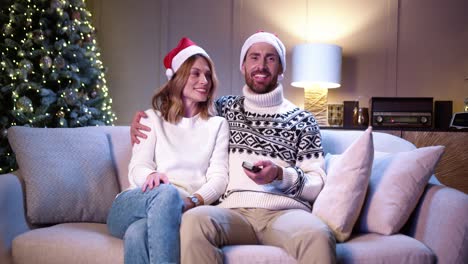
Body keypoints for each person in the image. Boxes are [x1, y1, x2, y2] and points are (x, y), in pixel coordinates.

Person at [131, 32, 336, 264]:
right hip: (231, 212)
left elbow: (316, 182)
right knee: (194, 222)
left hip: (285, 213)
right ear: (243, 65)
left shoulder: (303, 119)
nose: (261, 65)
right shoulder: (223, 109)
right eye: (254, 57)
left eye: (271, 59)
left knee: (319, 235)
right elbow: (181, 114)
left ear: (281, 69)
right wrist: (142, 121)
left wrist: (280, 175)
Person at [107, 37, 230, 264]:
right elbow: (138, 166)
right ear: (178, 77)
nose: (205, 80)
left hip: (184, 206)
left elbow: (219, 178)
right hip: (136, 202)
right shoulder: (151, 118)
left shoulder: (218, 125)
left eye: (208, 74)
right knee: (167, 193)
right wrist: (151, 176)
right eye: (195, 73)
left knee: (137, 235)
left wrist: (193, 200)